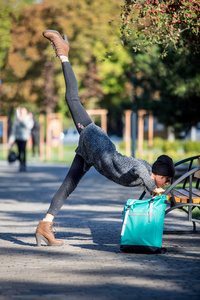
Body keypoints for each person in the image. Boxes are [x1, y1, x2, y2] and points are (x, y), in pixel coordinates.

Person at [35, 30, 175, 247]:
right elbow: (138, 169)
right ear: (160, 176)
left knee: (67, 186)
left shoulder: (147, 176)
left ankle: (45, 225)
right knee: (72, 98)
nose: (164, 185)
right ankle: (63, 54)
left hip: (94, 156)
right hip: (95, 141)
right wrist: (152, 187)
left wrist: (153, 191)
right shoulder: (145, 171)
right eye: (165, 181)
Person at [9, 106, 34, 172]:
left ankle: (24, 164)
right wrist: (11, 139)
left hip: (24, 137)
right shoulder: (17, 118)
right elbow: (14, 129)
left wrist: (22, 121)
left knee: (23, 150)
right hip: (18, 137)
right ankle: (20, 165)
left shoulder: (28, 118)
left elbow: (29, 126)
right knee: (19, 152)